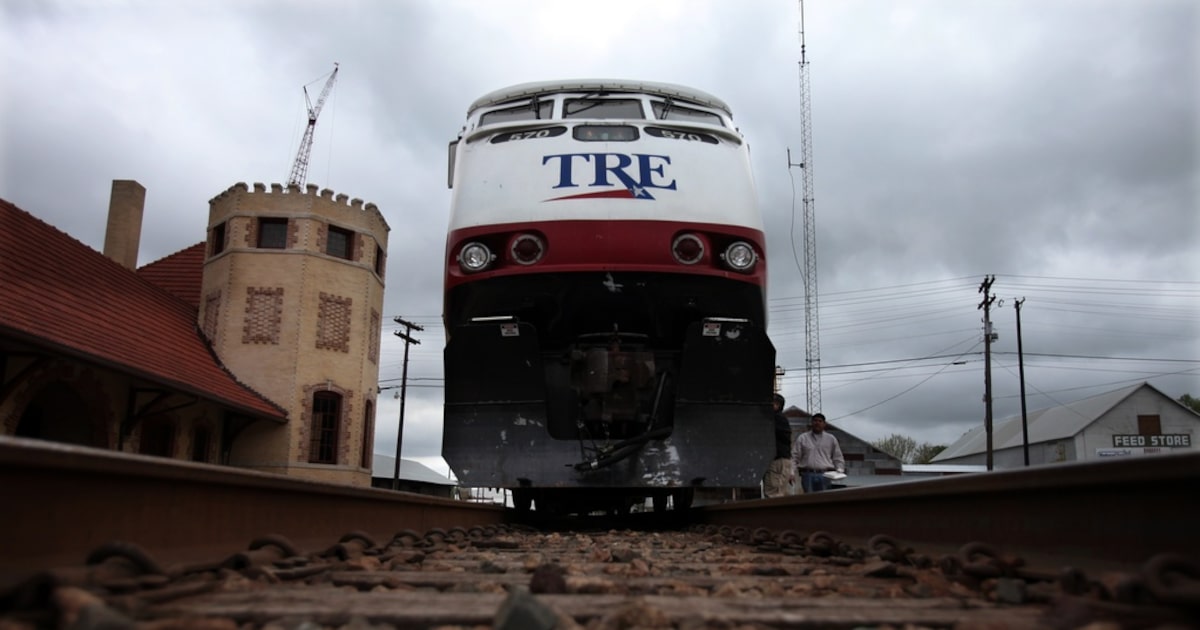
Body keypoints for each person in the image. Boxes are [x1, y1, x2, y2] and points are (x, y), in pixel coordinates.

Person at [791, 412, 844, 493]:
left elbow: (837, 457)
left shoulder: (831, 439)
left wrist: (839, 471)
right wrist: (791, 472)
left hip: (825, 475)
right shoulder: (803, 438)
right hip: (807, 474)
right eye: (815, 421)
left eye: (820, 421)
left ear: (824, 424)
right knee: (810, 500)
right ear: (811, 423)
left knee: (824, 500)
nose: (817, 423)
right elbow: (795, 456)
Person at [762, 393, 795, 497]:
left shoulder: (777, 419)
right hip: (778, 461)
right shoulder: (777, 419)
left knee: (773, 494)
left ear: (777, 405)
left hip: (777, 462)